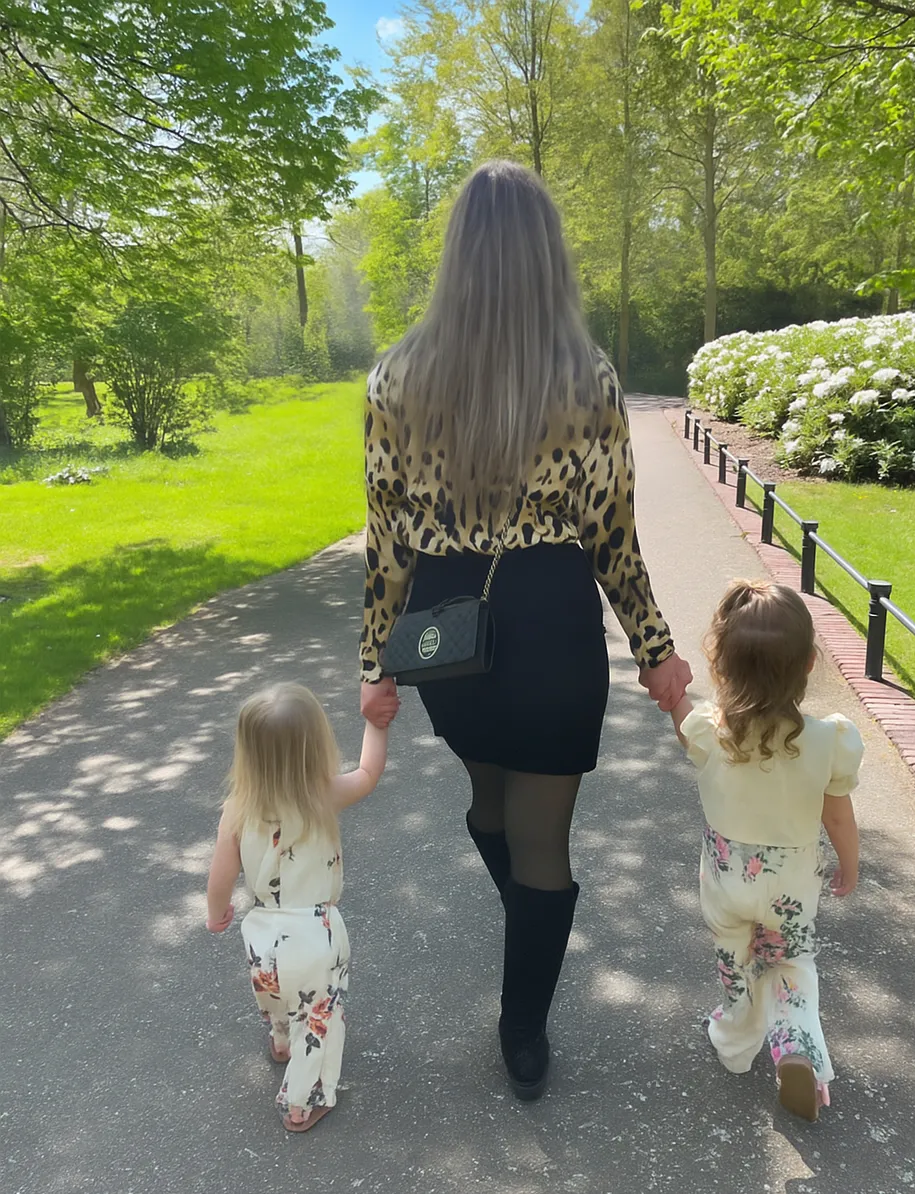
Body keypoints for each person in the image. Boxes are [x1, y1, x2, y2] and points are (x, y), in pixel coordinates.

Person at [359, 160, 691, 1099]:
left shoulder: (397, 378)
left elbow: (386, 537)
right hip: (549, 619)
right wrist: (654, 650)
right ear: (549, 256)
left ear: (457, 255)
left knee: (490, 799)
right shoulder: (587, 379)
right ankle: (524, 1028)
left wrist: (373, 661)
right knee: (542, 837)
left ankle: (527, 929)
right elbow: (615, 537)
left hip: (445, 628)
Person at [670, 579, 862, 1122]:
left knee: (736, 962)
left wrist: (673, 690)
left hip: (727, 879)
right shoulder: (829, 739)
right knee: (791, 962)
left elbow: (685, 726)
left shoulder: (710, 730)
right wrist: (850, 864)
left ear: (722, 665)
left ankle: (735, 1046)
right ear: (807, 664)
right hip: (792, 882)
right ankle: (797, 1043)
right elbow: (838, 815)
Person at [206, 682, 394, 1132]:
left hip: (262, 933)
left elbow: (220, 875)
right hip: (317, 936)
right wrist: (375, 722)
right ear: (315, 746)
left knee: (275, 996)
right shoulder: (322, 795)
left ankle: (280, 1042)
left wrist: (216, 914)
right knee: (318, 1019)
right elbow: (369, 773)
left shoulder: (237, 809)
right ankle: (301, 1105)